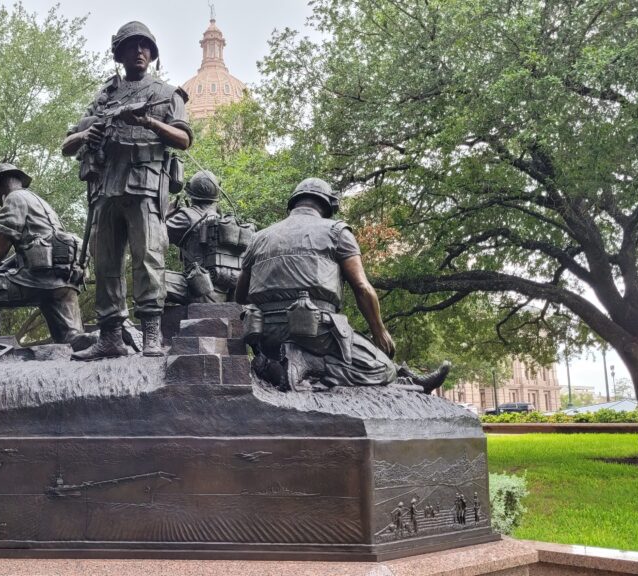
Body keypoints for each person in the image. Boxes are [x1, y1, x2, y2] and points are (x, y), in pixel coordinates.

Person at [235, 178, 450, 392]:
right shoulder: (337, 231)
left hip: (266, 335)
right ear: (328, 205)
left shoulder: (258, 238)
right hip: (313, 333)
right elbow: (362, 287)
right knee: (382, 369)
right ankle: (307, 363)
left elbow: (240, 296)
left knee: (361, 354)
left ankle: (408, 379)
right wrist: (379, 330)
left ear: (294, 203)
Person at [61, 21, 193, 360]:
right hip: (105, 189)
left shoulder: (166, 94)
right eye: (131, 46)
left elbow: (184, 139)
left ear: (152, 54)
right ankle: (110, 336)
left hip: (145, 187)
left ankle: (151, 332)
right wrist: (85, 136)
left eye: (145, 47)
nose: (139, 52)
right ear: (118, 53)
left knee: (148, 258)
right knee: (106, 263)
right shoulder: (104, 96)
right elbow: (68, 144)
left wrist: (148, 122)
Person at [0, 163, 86, 346]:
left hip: (39, 280)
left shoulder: (14, 199)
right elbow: (32, 249)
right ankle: (101, 339)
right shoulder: (41, 202)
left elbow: (0, 250)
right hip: (64, 282)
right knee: (72, 340)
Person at [165, 170, 252, 304]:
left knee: (151, 278)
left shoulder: (186, 217)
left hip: (198, 290)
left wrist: (167, 214)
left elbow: (156, 236)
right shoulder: (225, 223)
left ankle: (152, 324)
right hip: (225, 296)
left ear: (190, 193)